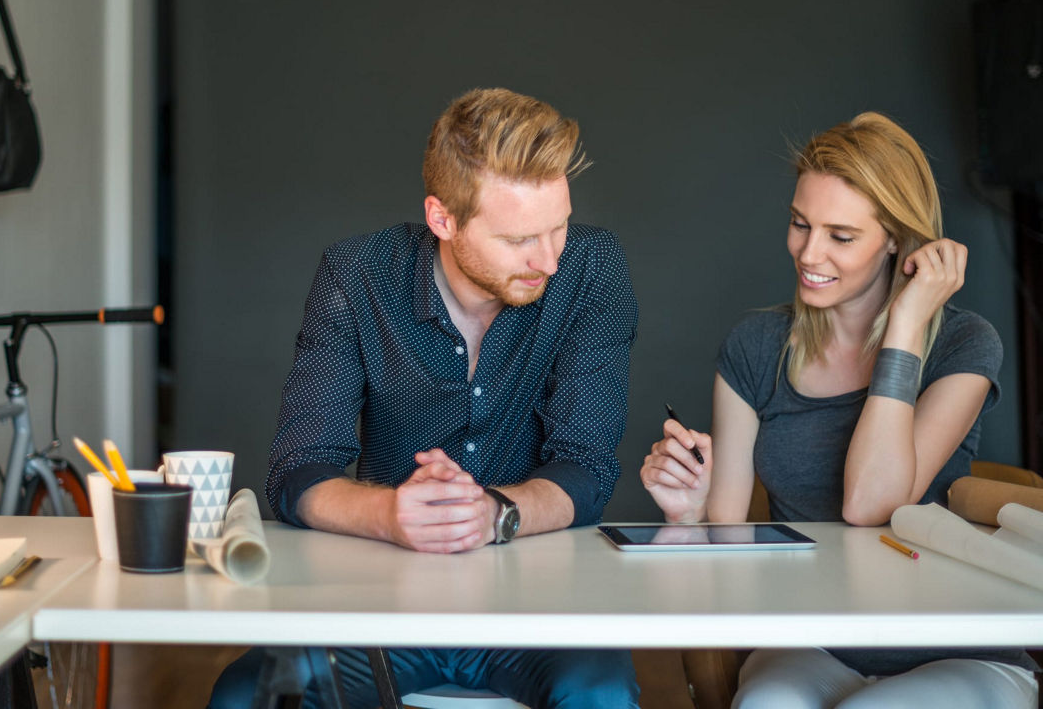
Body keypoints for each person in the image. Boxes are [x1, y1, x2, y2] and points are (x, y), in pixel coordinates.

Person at [208, 88, 640, 708]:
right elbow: (297, 471)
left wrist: (492, 513)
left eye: (560, 227)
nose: (548, 259)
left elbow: (587, 464)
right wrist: (391, 516)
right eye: (519, 239)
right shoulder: (357, 275)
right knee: (244, 697)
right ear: (443, 218)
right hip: (378, 603)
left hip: (542, 606)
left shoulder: (594, 269)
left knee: (600, 697)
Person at [640, 112, 1039, 708]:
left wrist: (905, 324)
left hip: (956, 646)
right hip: (811, 643)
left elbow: (872, 504)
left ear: (898, 243)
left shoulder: (964, 344)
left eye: (841, 236)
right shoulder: (755, 347)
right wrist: (689, 516)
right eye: (800, 223)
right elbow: (729, 545)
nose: (808, 252)